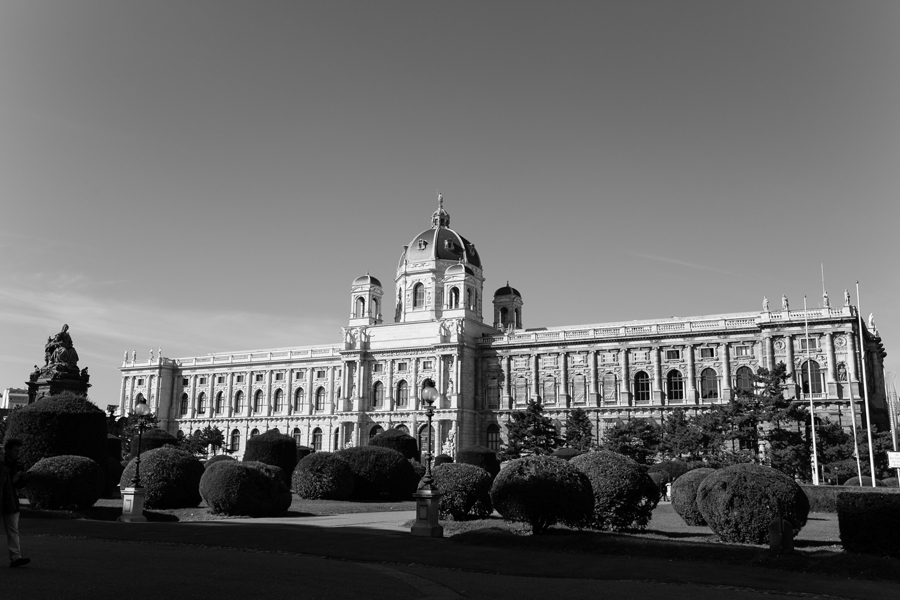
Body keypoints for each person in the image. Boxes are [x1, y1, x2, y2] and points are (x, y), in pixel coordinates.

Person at [1, 439, 30, 568]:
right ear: (7, 450)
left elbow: (17, 486)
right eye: (15, 451)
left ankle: (16, 557)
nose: (17, 453)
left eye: (18, 451)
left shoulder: (17, 465)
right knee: (12, 530)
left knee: (13, 530)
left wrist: (22, 480)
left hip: (10, 499)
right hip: (7, 499)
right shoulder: (3, 464)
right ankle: (15, 557)